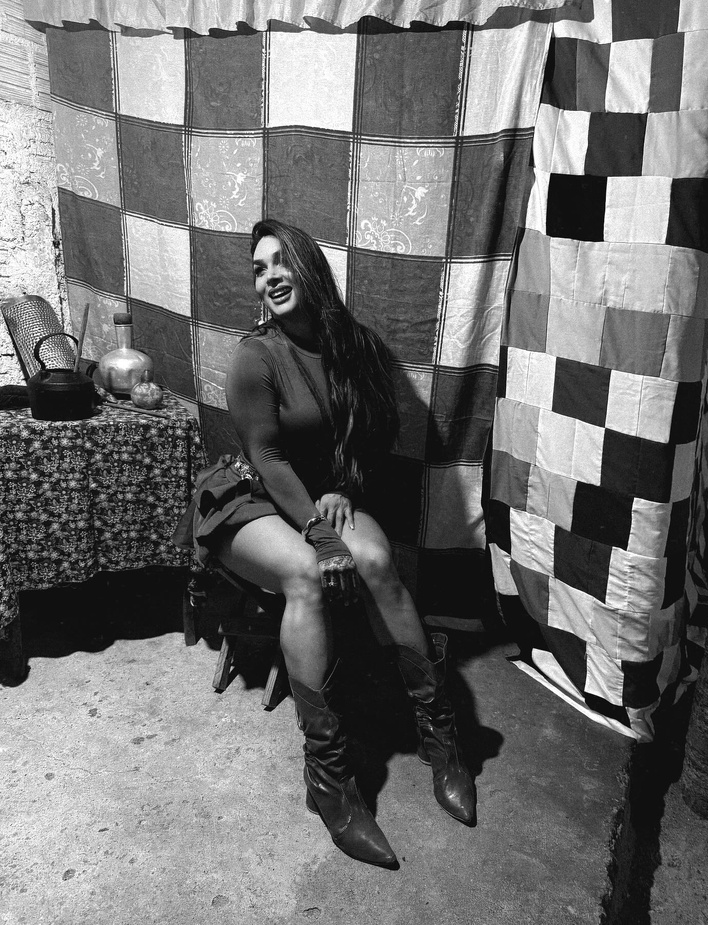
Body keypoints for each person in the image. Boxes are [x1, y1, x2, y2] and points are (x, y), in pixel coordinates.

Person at [176, 218, 475, 868]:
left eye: (279, 261)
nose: (269, 277)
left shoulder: (354, 344)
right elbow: (267, 456)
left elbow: (375, 427)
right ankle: (330, 778)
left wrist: (343, 486)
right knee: (308, 576)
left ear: (309, 266)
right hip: (252, 497)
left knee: (378, 563)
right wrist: (318, 533)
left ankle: (442, 737)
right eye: (258, 269)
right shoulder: (257, 356)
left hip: (320, 495)